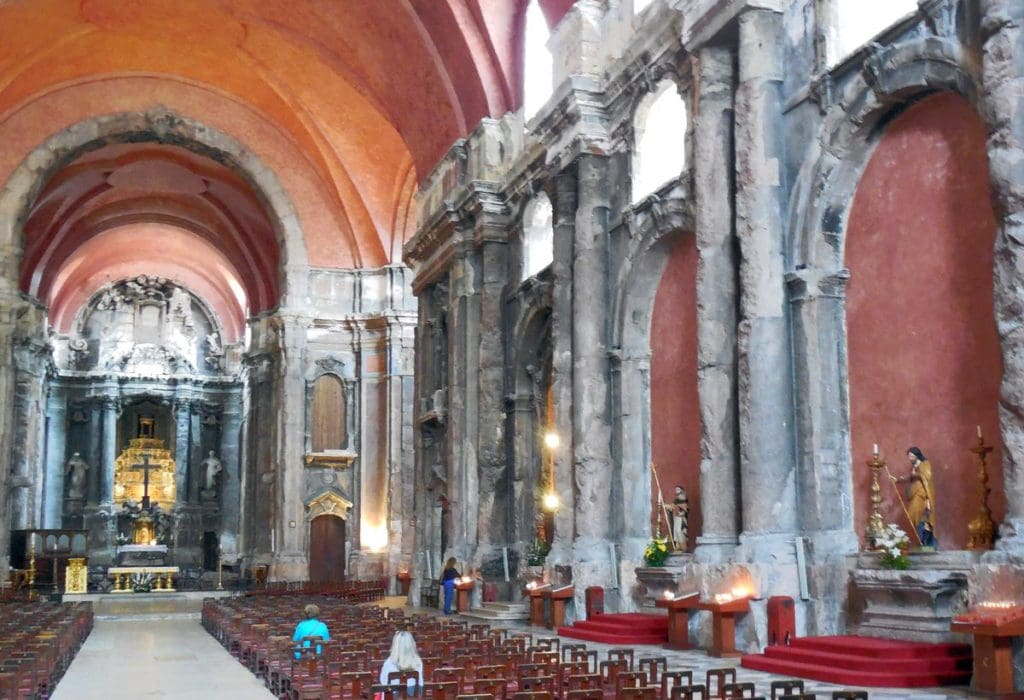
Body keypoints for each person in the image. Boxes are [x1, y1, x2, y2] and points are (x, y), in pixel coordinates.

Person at [891, 446, 937, 548]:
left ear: (917, 455)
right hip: (915, 494)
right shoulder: (915, 467)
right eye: (909, 456)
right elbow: (910, 477)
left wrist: (914, 475)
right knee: (914, 517)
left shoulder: (925, 464)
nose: (910, 458)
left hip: (922, 495)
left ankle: (926, 541)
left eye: (911, 456)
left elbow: (927, 476)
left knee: (923, 518)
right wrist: (898, 480)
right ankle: (921, 540)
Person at [378, 630, 423, 695]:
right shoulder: (418, 662)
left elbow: (383, 683)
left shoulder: (389, 663)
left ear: (395, 645)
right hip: (413, 696)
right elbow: (420, 685)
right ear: (412, 644)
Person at [669, 485, 689, 551]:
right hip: (677, 518)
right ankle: (678, 547)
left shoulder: (683, 498)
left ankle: (683, 547)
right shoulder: (676, 499)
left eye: (678, 489)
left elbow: (686, 508)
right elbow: (672, 507)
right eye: (676, 489)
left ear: (681, 490)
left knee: (680, 531)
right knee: (676, 532)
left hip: (681, 518)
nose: (676, 490)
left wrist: (682, 512)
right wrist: (668, 507)